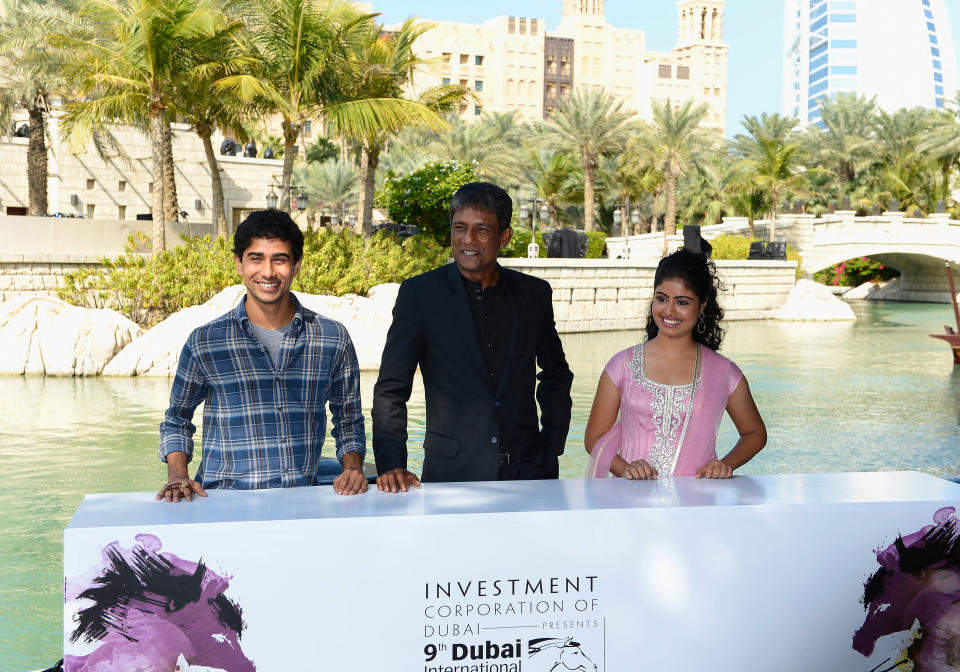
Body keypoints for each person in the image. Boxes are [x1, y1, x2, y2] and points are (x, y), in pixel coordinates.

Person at [373, 182, 574, 490]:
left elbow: (556, 374)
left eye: (481, 230)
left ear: (504, 237)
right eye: (459, 228)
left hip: (530, 474)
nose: (468, 239)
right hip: (452, 475)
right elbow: (391, 389)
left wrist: (553, 441)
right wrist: (392, 463)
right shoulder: (420, 295)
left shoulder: (534, 294)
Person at [156, 209, 368, 501]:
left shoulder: (332, 338)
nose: (267, 272)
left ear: (296, 266)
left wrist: (353, 467)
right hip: (220, 503)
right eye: (256, 258)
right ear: (238, 264)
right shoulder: (205, 341)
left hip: (299, 502)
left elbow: (349, 418)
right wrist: (178, 475)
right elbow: (177, 420)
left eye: (279, 259)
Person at [584, 248, 766, 479]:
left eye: (682, 302)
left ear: (702, 306)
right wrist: (626, 468)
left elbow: (755, 433)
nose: (669, 311)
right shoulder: (622, 366)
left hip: (697, 505)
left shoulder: (725, 372)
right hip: (630, 503)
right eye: (661, 299)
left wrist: (724, 465)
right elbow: (594, 437)